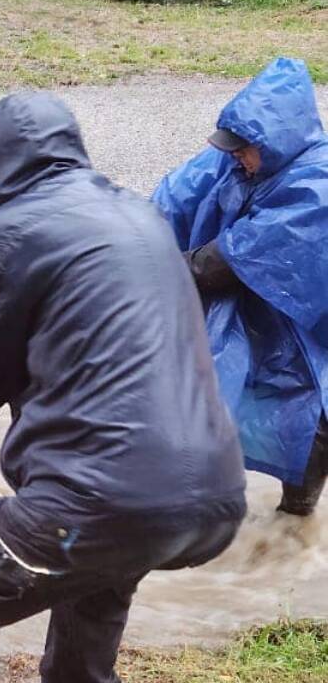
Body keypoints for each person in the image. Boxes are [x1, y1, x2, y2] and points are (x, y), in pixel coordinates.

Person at [0, 92, 247, 683]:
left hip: (101, 499)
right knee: (94, 584)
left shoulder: (7, 235)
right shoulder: (142, 218)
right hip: (211, 497)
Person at [153, 57, 328, 516]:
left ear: (277, 141)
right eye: (232, 148)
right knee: (208, 392)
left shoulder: (317, 183)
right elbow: (172, 199)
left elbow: (228, 260)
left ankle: (294, 524)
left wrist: (145, 268)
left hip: (309, 325)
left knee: (310, 418)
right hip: (262, 314)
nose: (235, 156)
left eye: (244, 149)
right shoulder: (237, 160)